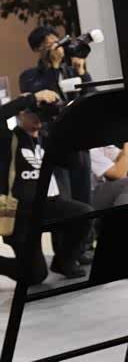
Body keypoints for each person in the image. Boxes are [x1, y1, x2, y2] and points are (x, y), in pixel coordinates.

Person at [0, 91, 92, 282]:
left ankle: (64, 262)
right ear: (20, 114)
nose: (38, 116)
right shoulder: (7, 139)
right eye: (33, 111)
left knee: (84, 213)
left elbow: (74, 164)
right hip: (20, 213)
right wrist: (31, 99)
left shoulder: (47, 137)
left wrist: (64, 123)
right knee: (35, 275)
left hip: (49, 204)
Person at [19, 26, 94, 208]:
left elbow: (91, 98)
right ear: (38, 49)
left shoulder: (71, 71)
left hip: (80, 142)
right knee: (64, 200)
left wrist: (82, 72)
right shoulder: (29, 76)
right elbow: (43, 101)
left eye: (57, 41)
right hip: (53, 142)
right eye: (49, 43)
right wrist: (52, 67)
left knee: (85, 200)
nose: (56, 46)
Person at [90, 142, 128, 209]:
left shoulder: (106, 147)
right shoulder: (91, 150)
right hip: (88, 196)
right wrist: (127, 143)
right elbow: (119, 175)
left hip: (101, 189)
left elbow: (123, 157)